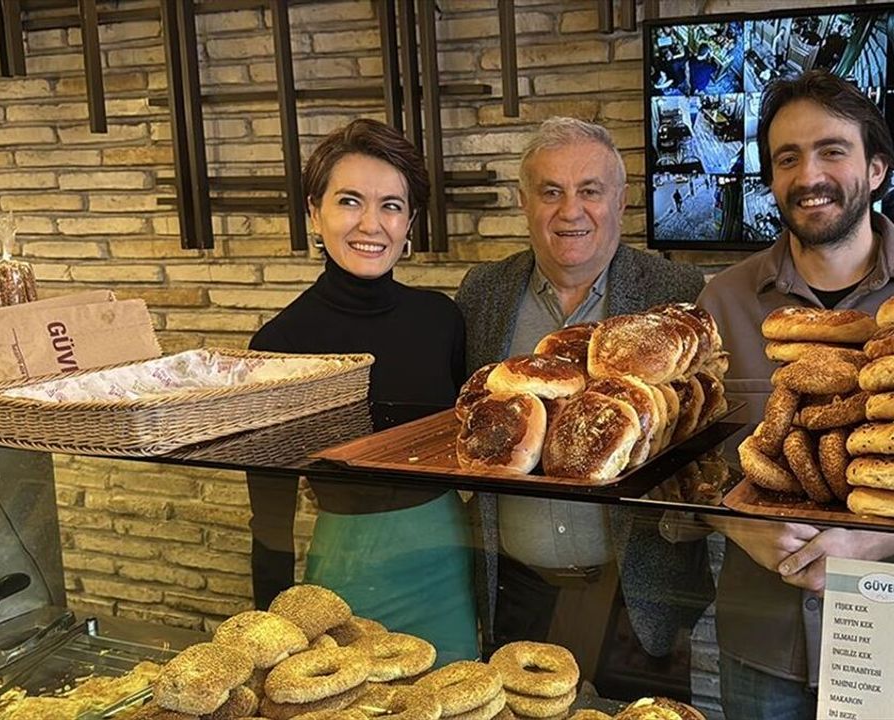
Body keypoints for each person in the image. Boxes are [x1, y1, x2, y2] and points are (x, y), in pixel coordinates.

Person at [692, 70, 894, 718]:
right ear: (771, 180)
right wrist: (739, 524)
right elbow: (688, 468)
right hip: (762, 642)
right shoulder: (722, 302)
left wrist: (872, 541)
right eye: (787, 158)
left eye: (832, 151)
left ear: (876, 169)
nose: (809, 175)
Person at [454, 117, 710, 698]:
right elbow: (466, 423)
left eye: (590, 190)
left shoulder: (676, 290)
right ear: (524, 202)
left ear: (621, 200)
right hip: (515, 589)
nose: (570, 211)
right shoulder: (483, 293)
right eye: (551, 191)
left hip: (638, 593)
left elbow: (700, 432)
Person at [246, 119, 477, 663]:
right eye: (350, 201)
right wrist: (270, 635)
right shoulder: (280, 343)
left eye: (391, 206)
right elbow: (271, 516)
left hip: (448, 564)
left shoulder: (441, 320)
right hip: (347, 570)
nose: (371, 224)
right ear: (314, 212)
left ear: (409, 222)